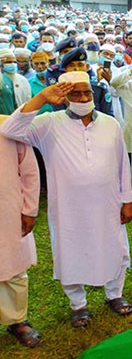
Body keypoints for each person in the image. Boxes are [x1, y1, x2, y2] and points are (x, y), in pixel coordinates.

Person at [1, 72, 132, 327]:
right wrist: (41, 98)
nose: (83, 98)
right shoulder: (48, 123)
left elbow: (121, 165)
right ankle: (78, 304)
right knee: (70, 250)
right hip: (68, 207)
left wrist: (127, 199)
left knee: (115, 246)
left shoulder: (110, 124)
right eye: (75, 93)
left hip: (108, 203)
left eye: (86, 92)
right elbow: (10, 129)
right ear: (64, 97)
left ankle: (114, 294)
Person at [0, 115, 41, 348]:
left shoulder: (8, 126)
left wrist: (29, 210)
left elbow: (30, 172)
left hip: (7, 209)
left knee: (13, 265)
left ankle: (17, 320)